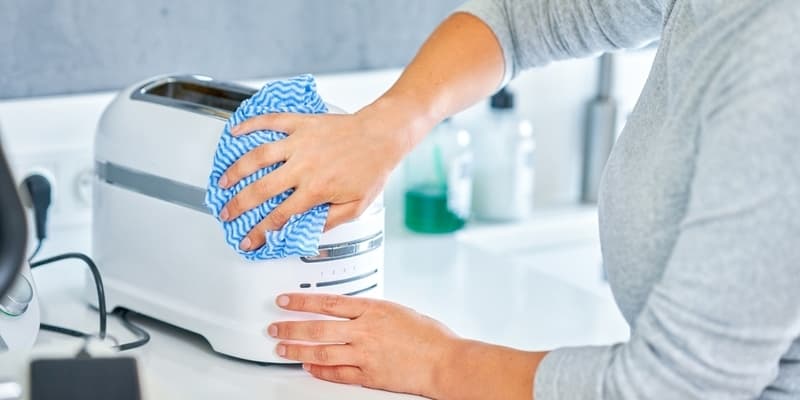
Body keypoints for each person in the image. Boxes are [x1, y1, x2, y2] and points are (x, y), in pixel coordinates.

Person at [217, 0, 800, 398]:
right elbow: (527, 22)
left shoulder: (781, 57)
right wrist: (389, 122)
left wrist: (439, 363)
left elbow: (675, 390)